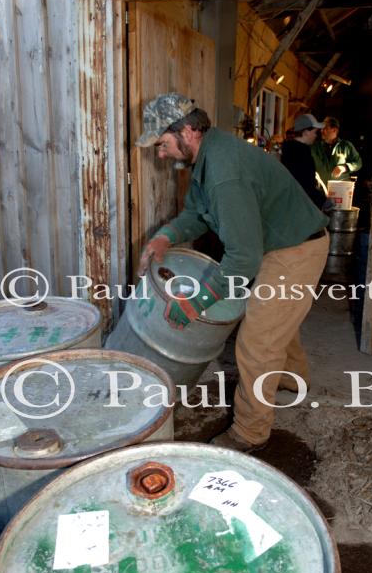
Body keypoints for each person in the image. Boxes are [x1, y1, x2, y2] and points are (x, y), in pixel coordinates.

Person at [136, 93, 329, 453]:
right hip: (281, 241)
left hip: (296, 249)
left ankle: (249, 433)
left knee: (256, 339)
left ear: (189, 131)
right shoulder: (208, 154)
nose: (160, 154)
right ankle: (290, 378)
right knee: (277, 318)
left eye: (162, 144)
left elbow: (242, 259)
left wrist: (197, 303)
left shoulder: (224, 172)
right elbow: (196, 214)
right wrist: (166, 236)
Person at [280, 113, 327, 209]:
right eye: (315, 132)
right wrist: (323, 201)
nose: (316, 136)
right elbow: (304, 185)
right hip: (297, 206)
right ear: (306, 132)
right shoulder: (300, 154)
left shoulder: (290, 149)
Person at [311, 116, 362, 186]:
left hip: (340, 189)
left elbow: (358, 163)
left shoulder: (346, 146)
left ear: (334, 130)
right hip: (321, 190)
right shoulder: (315, 147)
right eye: (321, 128)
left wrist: (345, 167)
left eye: (325, 128)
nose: (321, 130)